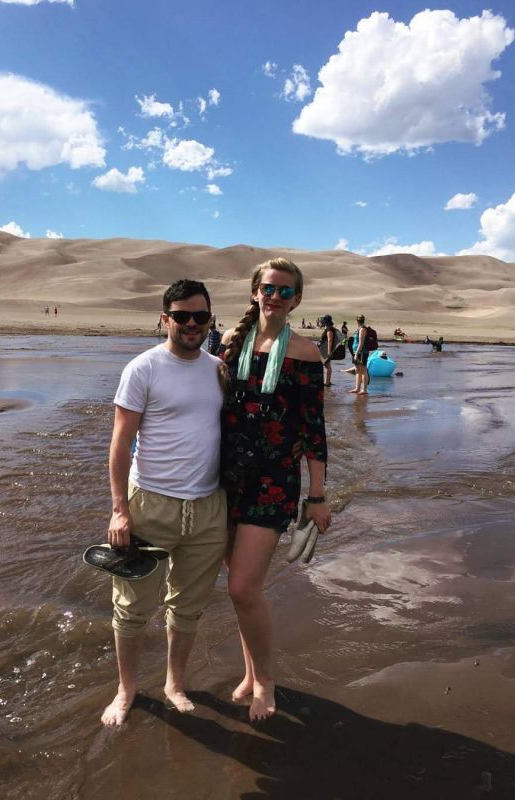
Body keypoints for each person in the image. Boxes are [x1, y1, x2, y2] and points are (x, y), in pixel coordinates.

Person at [102, 279, 228, 726]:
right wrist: (120, 509)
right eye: (181, 316)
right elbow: (120, 444)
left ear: (210, 319)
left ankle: (175, 683)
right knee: (132, 607)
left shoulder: (219, 369)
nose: (191, 324)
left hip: (209, 508)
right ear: (164, 319)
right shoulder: (143, 368)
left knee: (188, 607)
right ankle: (126, 689)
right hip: (150, 504)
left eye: (200, 316)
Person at [220, 258, 330, 721]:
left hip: (274, 481)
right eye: (269, 288)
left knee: (245, 587)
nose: (276, 297)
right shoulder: (230, 342)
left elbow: (313, 430)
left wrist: (317, 495)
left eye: (286, 291)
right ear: (254, 292)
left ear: (297, 299)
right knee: (236, 589)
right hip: (225, 477)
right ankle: (250, 671)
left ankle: (265, 681)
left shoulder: (306, 353)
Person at [317, 314, 341, 387]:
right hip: (325, 350)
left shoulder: (329, 330)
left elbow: (330, 340)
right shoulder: (330, 329)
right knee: (327, 366)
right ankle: (327, 381)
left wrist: (329, 351)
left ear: (326, 322)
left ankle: (327, 382)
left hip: (326, 351)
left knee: (327, 366)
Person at [350, 315, 370, 395]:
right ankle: (357, 388)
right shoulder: (359, 329)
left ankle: (364, 389)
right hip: (356, 351)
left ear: (357, 321)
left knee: (363, 370)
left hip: (362, 352)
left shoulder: (362, 329)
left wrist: (356, 353)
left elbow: (361, 343)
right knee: (357, 370)